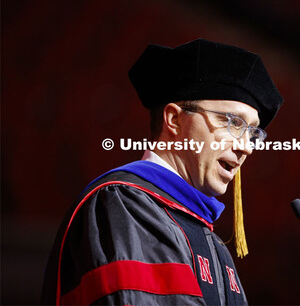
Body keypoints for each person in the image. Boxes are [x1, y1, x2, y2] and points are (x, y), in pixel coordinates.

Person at [41, 38, 283, 305]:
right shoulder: (126, 205)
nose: (246, 147)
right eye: (233, 123)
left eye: (252, 132)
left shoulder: (213, 244)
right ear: (174, 119)